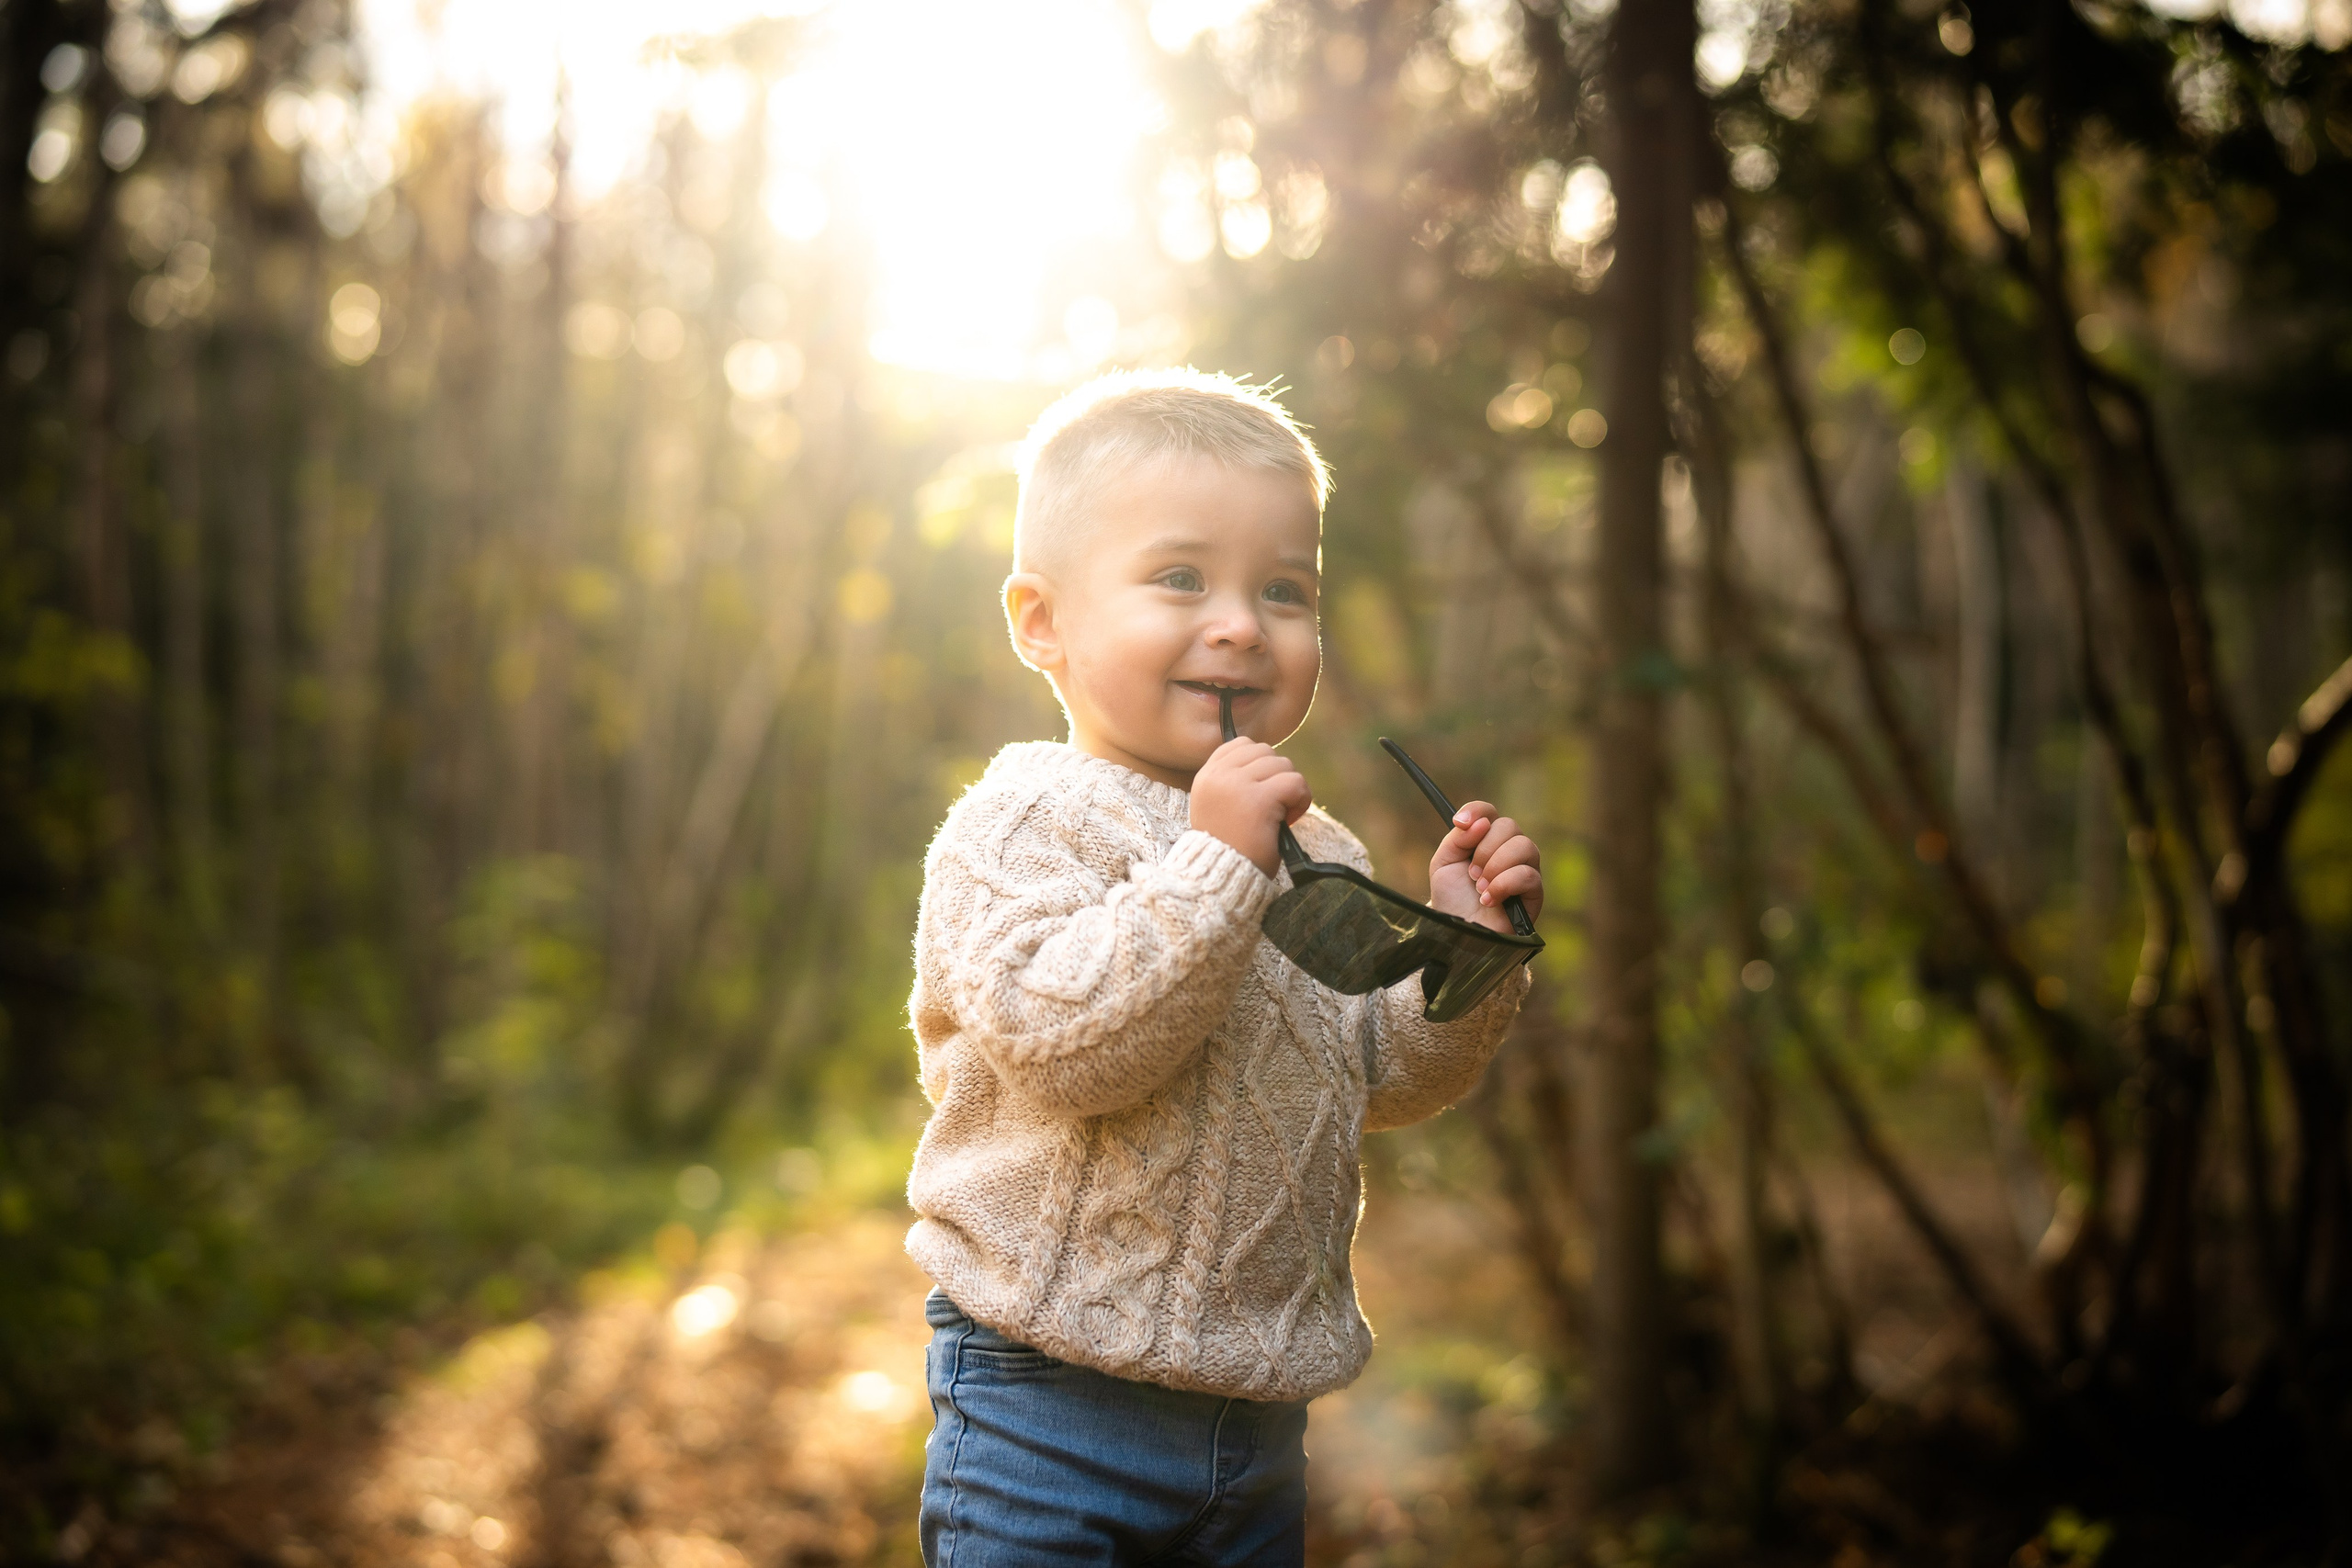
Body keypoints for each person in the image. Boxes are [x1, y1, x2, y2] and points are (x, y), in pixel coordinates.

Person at [905, 367, 1544, 1566]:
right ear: (1042, 621)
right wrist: (1215, 859)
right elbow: (1068, 1046)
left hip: (1257, 1426)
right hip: (1046, 1404)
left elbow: (1383, 1079)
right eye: (1180, 577)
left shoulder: (1324, 853)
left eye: (1286, 590)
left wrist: (1470, 956)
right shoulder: (1019, 824)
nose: (1244, 622)